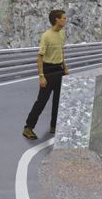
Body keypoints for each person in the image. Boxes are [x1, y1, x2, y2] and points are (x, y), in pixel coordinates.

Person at [23, 9, 68, 140]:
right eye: (63, 18)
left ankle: (54, 126)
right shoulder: (46, 36)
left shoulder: (62, 34)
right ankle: (28, 127)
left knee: (58, 101)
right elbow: (40, 57)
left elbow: (61, 52)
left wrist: (65, 68)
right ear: (57, 20)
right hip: (48, 70)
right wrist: (41, 76)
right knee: (42, 101)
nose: (65, 20)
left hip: (59, 69)